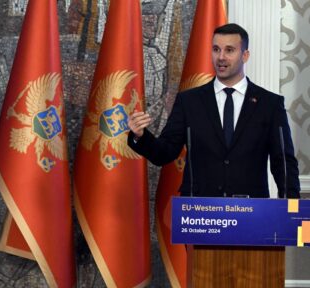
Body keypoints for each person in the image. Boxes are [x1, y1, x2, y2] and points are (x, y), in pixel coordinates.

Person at [127, 23, 300, 198]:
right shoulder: (189, 101)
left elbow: (283, 162)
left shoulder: (269, 104)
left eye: (229, 50)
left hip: (250, 215)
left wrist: (292, 211)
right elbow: (164, 153)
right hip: (200, 214)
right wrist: (140, 136)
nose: (221, 57)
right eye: (216, 49)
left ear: (245, 55)